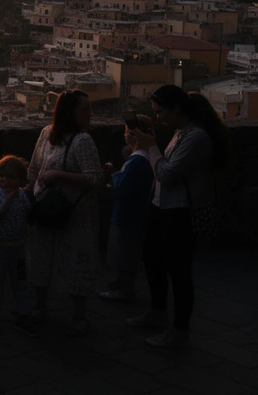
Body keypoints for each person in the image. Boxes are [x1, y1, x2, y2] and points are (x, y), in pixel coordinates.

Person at [129, 86, 226, 348]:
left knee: (179, 271)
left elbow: (168, 173)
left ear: (176, 109)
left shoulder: (196, 138)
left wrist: (151, 148)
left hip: (179, 212)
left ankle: (179, 329)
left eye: (160, 112)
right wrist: (150, 144)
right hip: (162, 207)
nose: (158, 117)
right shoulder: (180, 134)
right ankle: (158, 311)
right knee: (153, 261)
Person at [26, 89, 102, 337]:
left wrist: (59, 175)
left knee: (66, 259)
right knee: (49, 257)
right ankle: (51, 308)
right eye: (85, 109)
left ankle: (70, 311)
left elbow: (94, 178)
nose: (91, 114)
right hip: (57, 210)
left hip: (72, 213)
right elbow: (34, 169)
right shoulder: (47, 134)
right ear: (71, 112)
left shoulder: (81, 140)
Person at [99, 114, 157, 303]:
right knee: (124, 253)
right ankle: (120, 284)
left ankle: (125, 290)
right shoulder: (143, 157)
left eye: (128, 132)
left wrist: (112, 176)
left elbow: (122, 189)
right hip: (133, 214)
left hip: (128, 216)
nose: (126, 135)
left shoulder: (138, 160)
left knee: (125, 255)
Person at [0, 156, 38, 337]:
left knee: (21, 282)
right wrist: (6, 203)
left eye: (11, 177)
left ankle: (23, 314)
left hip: (18, 249)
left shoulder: (21, 195)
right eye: (1, 175)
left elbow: (26, 212)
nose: (5, 180)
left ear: (20, 180)